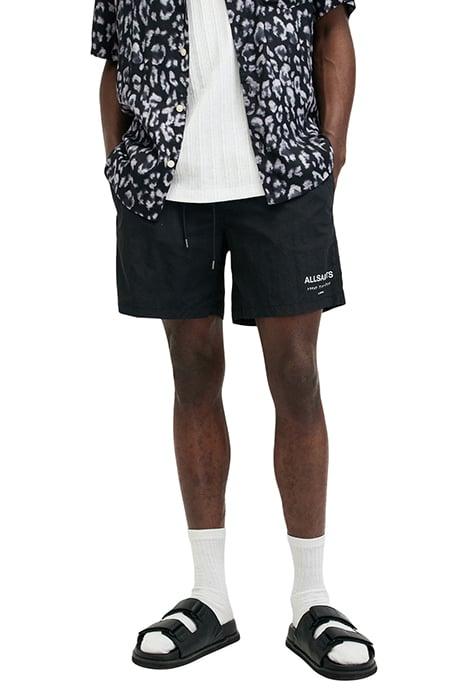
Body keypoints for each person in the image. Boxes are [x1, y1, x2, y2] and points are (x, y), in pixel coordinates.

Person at [91, 0, 377, 680]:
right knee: (191, 374)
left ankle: (311, 599)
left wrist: (330, 152)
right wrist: (120, 168)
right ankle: (209, 597)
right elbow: (114, 57)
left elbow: (332, 27)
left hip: (283, 179)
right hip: (165, 185)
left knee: (297, 376)